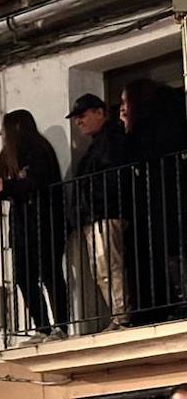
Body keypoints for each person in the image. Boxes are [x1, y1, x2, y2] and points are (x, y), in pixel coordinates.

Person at [0, 109, 69, 336]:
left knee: (50, 273)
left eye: (5, 129)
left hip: (44, 223)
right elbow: (6, 187)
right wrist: (1, 188)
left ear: (17, 128)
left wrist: (7, 186)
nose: (1, 133)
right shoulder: (8, 156)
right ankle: (43, 327)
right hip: (22, 226)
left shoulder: (39, 151)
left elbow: (35, 182)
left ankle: (60, 326)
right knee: (23, 276)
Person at [66, 93, 133, 330]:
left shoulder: (112, 139)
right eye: (76, 118)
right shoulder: (101, 142)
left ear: (100, 112)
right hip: (96, 214)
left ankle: (121, 316)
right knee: (102, 269)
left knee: (108, 267)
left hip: (104, 212)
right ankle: (118, 315)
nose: (78, 122)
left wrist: (94, 202)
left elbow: (111, 177)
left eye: (82, 116)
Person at [121, 79, 187, 314]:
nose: (122, 109)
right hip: (166, 199)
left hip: (163, 200)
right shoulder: (171, 119)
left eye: (124, 102)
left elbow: (134, 154)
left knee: (171, 249)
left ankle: (180, 301)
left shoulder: (147, 131)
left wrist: (128, 128)